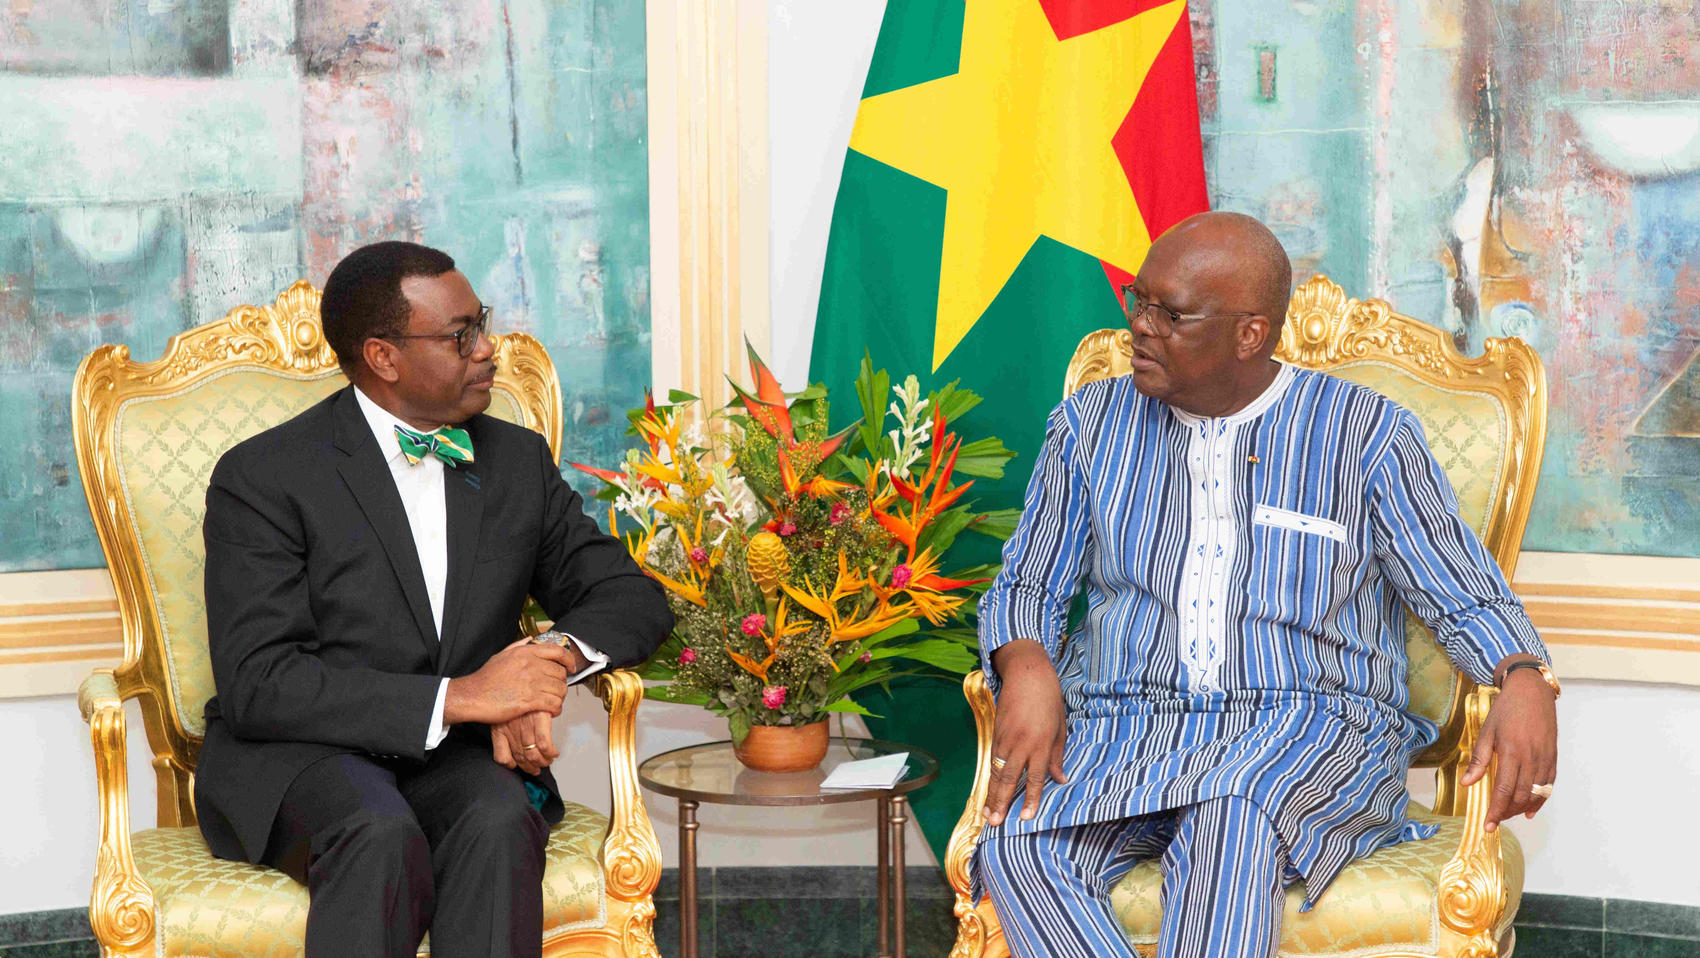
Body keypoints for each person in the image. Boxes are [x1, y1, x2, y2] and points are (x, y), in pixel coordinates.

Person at [972, 213, 1559, 958]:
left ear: (1250, 334)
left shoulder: (1366, 433)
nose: (1140, 330)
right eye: (1138, 302)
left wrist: (1522, 675)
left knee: (1229, 819)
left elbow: (1458, 586)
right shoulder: (1090, 424)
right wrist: (1024, 664)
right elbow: (1028, 579)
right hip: (1129, 722)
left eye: (1172, 314)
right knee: (1018, 846)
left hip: (1309, 726)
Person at [195, 241, 673, 958]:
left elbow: (628, 596)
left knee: (498, 821)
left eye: (480, 323)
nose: (489, 351)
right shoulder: (263, 478)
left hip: (453, 757)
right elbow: (261, 684)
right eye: (461, 336)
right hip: (302, 755)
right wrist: (465, 696)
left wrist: (545, 665)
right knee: (377, 834)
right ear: (384, 358)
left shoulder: (514, 461)